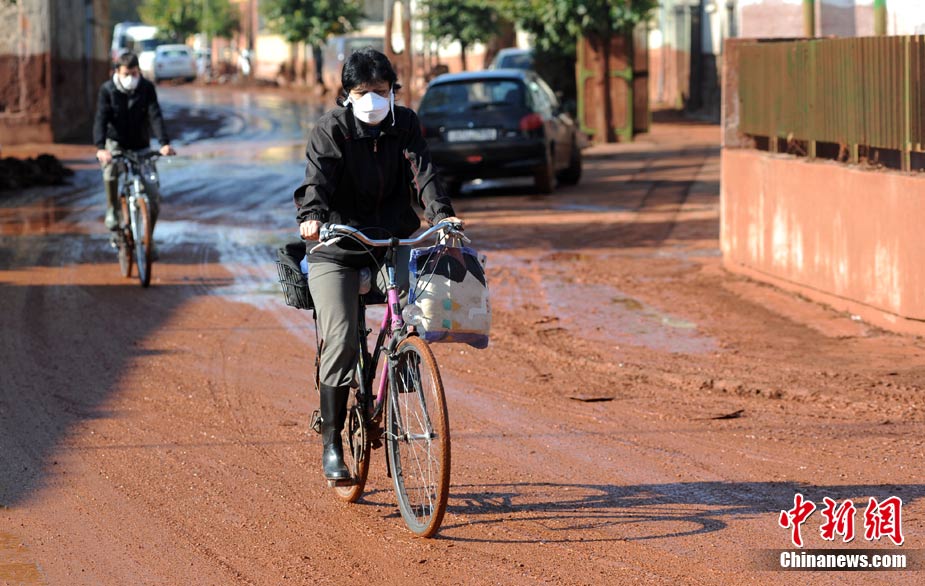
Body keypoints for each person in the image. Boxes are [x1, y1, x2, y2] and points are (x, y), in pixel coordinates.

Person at [294, 48, 463, 481]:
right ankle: (332, 442)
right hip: (336, 245)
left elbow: (424, 173)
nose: (372, 98)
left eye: (380, 90)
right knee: (340, 341)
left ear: (392, 91)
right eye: (362, 91)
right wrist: (312, 217)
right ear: (347, 94)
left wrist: (441, 215)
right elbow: (317, 180)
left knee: (412, 314)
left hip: (391, 240)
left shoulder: (404, 124)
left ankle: (402, 362)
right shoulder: (331, 129)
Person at [93, 51, 175, 233]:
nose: (131, 78)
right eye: (126, 74)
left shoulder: (146, 88)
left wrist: (164, 143)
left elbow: (155, 115)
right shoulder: (107, 90)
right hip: (116, 143)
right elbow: (101, 119)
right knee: (110, 172)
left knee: (153, 195)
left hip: (141, 144)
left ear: (139, 71)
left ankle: (148, 239)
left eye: (134, 73)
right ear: (117, 72)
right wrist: (100, 147)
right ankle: (113, 210)